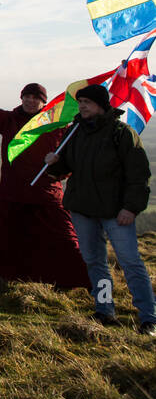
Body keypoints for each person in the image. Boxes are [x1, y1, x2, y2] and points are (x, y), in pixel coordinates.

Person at [44, 84, 155, 334]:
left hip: (116, 212)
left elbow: (139, 175)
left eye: (88, 102)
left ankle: (149, 317)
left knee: (130, 262)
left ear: (101, 105)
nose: (83, 105)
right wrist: (54, 164)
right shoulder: (74, 132)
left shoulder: (122, 134)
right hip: (83, 210)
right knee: (95, 262)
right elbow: (64, 169)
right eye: (81, 101)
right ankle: (105, 310)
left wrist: (131, 208)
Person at [0, 73, 89, 289]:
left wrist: (59, 173)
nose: (30, 101)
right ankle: (1, 283)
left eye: (35, 98)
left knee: (66, 242)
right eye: (26, 97)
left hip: (47, 196)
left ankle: (80, 282)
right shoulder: (10, 120)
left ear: (44, 102)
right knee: (9, 245)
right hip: (13, 195)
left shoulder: (56, 125)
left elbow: (70, 158)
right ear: (21, 99)